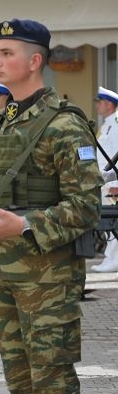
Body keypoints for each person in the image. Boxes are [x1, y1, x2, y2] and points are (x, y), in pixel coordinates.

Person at [0, 19, 100, 394]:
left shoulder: (65, 124)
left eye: (7, 53)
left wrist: (26, 225)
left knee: (53, 388)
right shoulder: (4, 122)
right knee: (22, 387)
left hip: (48, 283)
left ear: (35, 60)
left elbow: (86, 207)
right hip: (6, 278)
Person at [93, 85, 118, 272]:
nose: (97, 106)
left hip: (112, 182)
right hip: (104, 180)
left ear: (109, 104)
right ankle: (110, 259)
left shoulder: (116, 124)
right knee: (109, 222)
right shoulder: (107, 124)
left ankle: (113, 260)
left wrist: (117, 184)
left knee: (113, 222)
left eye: (99, 102)